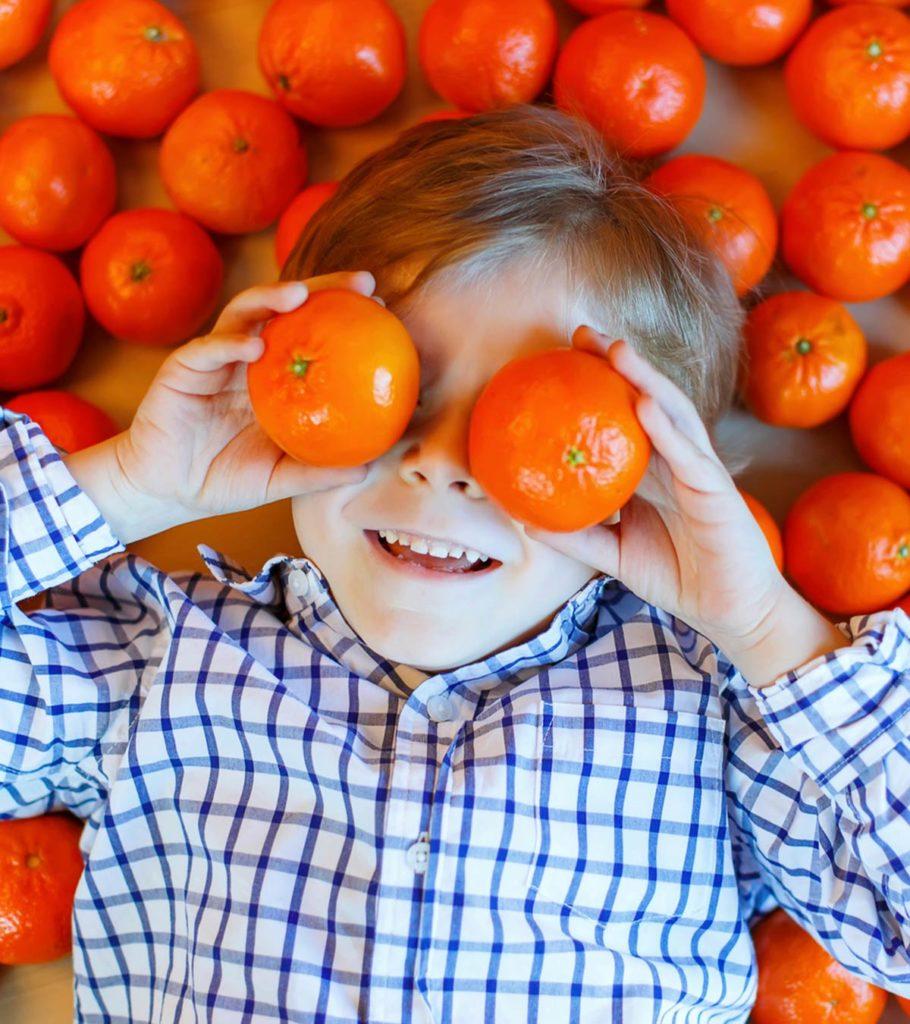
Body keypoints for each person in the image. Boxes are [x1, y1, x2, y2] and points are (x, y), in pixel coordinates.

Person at [1, 105, 907, 1023]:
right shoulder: (156, 664)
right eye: (396, 388)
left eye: (531, 421)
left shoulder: (720, 715)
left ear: (641, 479)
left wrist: (762, 625)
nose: (440, 461)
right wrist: (132, 484)